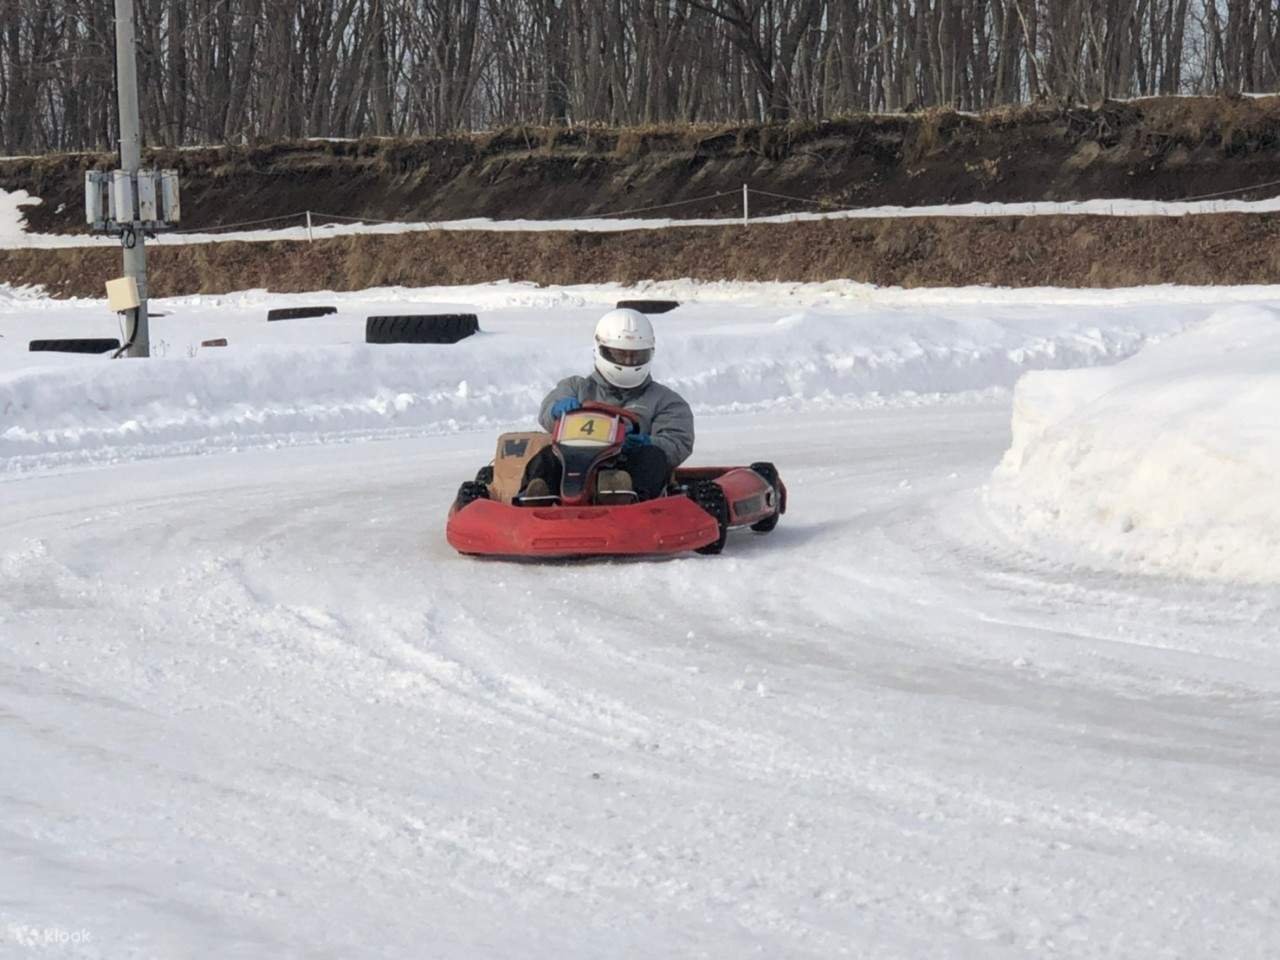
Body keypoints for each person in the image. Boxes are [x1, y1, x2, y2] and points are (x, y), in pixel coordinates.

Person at [521, 308, 694, 501]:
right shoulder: (576, 387)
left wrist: (646, 442)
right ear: (600, 350)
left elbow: (678, 443)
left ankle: (625, 496)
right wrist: (556, 410)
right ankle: (537, 496)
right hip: (573, 459)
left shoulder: (666, 400)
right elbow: (547, 411)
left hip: (628, 462)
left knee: (653, 457)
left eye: (635, 356)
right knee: (548, 455)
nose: (628, 361)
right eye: (620, 355)